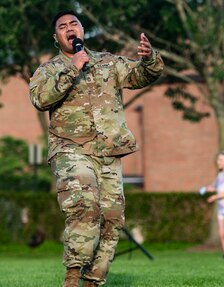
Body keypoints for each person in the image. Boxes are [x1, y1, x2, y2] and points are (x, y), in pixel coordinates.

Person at [29, 10, 164, 287]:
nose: (70, 28)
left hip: (108, 153)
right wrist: (72, 68)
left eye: (74, 24)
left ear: (82, 31)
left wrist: (149, 58)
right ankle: (72, 275)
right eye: (63, 26)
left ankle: (92, 281)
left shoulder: (107, 61)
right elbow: (41, 99)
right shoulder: (49, 69)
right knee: (84, 203)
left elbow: (142, 76)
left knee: (112, 220)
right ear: (57, 38)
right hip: (71, 150)